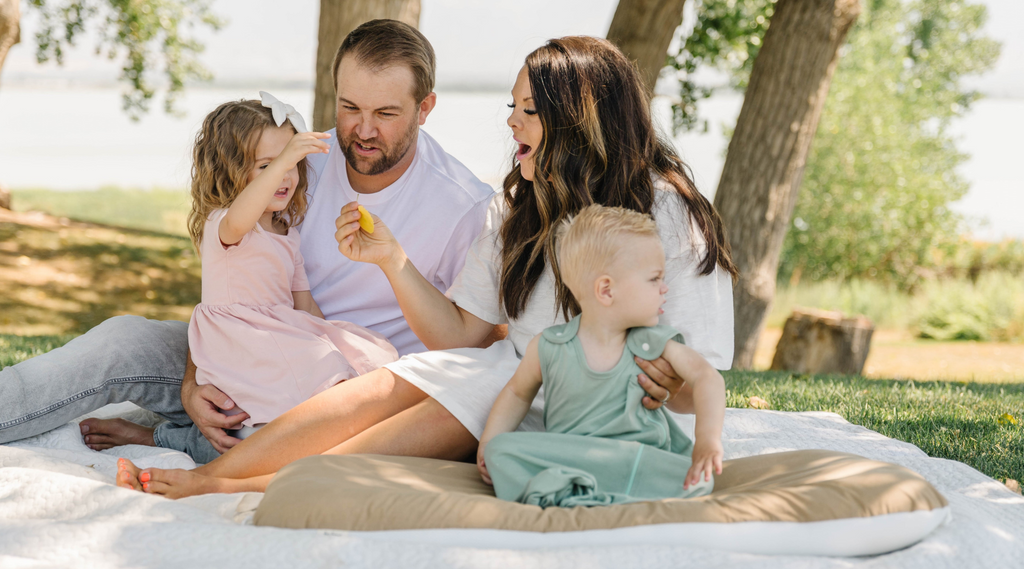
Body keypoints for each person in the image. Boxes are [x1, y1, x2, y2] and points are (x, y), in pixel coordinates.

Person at [114, 35, 737, 498]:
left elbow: (698, 377)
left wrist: (663, 380)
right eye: (512, 105)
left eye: (528, 110)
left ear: (579, 121)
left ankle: (233, 487)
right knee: (393, 382)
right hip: (505, 369)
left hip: (577, 395)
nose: (510, 121)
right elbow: (463, 334)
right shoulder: (519, 203)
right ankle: (206, 475)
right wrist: (392, 261)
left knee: (430, 413)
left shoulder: (668, 212)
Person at [0, 19, 494, 464]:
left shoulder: (465, 207)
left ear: (425, 107)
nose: (363, 130)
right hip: (239, 353)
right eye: (349, 108)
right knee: (121, 341)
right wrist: (195, 383)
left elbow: (477, 344)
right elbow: (228, 267)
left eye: (386, 113)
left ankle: (166, 435)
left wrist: (394, 263)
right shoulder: (298, 163)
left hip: (343, 389)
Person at [146, 97, 400, 462]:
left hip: (278, 338)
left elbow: (304, 304)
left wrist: (336, 345)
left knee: (352, 361)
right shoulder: (224, 224)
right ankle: (167, 439)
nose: (284, 176)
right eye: (267, 166)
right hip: (242, 343)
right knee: (289, 405)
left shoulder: (287, 234)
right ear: (231, 171)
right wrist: (285, 157)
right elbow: (240, 216)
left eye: (293, 165)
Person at [477, 205, 725, 507]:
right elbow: (517, 393)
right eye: (654, 279)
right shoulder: (549, 346)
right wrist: (489, 442)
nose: (665, 288)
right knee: (502, 450)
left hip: (635, 457)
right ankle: (590, 492)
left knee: (699, 478)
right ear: (606, 290)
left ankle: (572, 495)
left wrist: (707, 440)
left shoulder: (652, 343)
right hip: (573, 458)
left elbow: (707, 377)